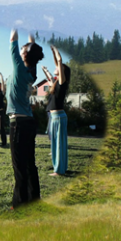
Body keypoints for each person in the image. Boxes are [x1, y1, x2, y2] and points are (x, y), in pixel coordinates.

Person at [7, 29, 44, 208]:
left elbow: (12, 39)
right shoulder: (32, 71)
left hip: (19, 123)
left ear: (24, 54)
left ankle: (20, 204)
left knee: (19, 166)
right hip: (28, 122)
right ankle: (34, 199)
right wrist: (30, 34)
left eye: (23, 50)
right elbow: (31, 47)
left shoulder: (21, 68)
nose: (20, 51)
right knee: (30, 164)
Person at [42, 46, 71, 176]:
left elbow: (59, 62)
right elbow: (54, 67)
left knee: (58, 144)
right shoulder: (56, 84)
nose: (56, 67)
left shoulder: (62, 83)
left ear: (62, 71)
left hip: (58, 117)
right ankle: (61, 168)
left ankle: (59, 171)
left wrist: (57, 52)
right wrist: (53, 53)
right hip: (55, 117)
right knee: (56, 144)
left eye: (59, 68)